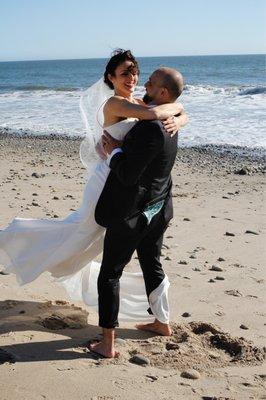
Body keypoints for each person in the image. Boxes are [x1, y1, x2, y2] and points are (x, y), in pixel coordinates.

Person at [0, 49, 187, 324]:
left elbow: (171, 109)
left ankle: (146, 310)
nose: (133, 77)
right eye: (125, 72)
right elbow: (162, 110)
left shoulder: (137, 103)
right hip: (105, 182)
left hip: (121, 181)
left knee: (92, 242)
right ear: (111, 78)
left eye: (135, 71)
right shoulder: (115, 104)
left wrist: (181, 117)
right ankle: (14, 240)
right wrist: (178, 114)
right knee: (78, 230)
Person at [89, 62, 185, 358]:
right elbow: (173, 109)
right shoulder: (168, 121)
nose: (143, 84)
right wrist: (182, 116)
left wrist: (114, 150)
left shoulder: (151, 127)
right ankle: (162, 322)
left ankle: (107, 344)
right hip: (161, 206)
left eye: (151, 82)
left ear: (163, 91)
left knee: (109, 273)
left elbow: (128, 174)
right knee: (151, 261)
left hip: (132, 211)